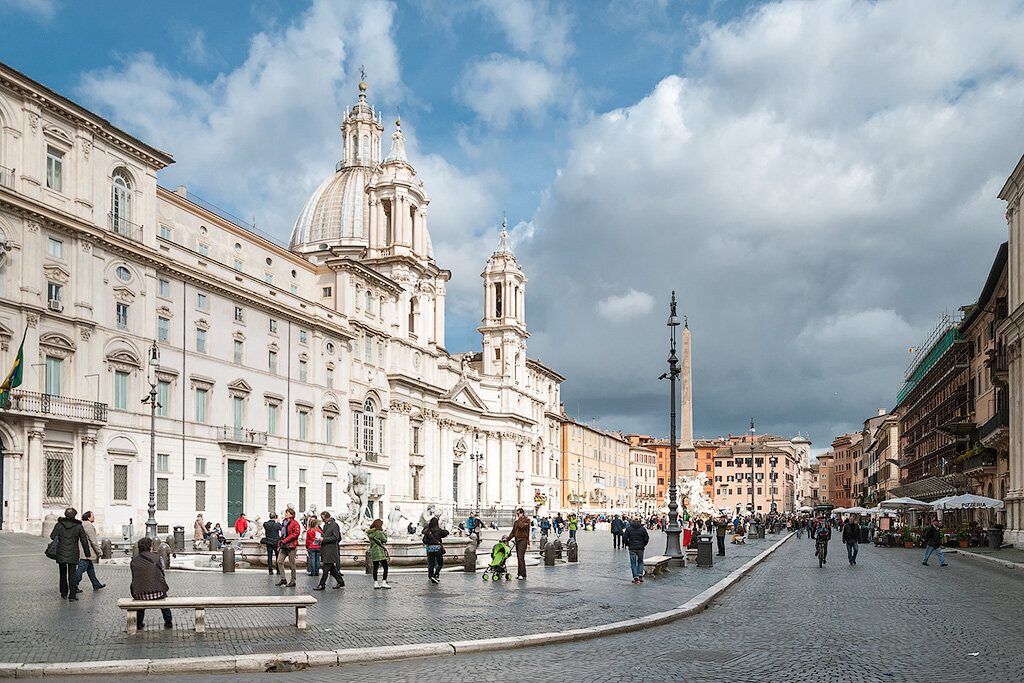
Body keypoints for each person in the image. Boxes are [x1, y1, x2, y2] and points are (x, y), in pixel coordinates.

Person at [129, 536, 172, 628]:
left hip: (140, 594)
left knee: (140, 596)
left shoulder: (134, 561)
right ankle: (168, 621)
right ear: (150, 548)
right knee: (164, 600)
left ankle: (139, 623)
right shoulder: (158, 558)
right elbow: (162, 571)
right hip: (158, 592)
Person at [50, 507, 90, 600]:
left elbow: (52, 536)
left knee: (62, 573)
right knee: (72, 574)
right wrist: (87, 554)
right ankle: (72, 595)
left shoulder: (59, 524)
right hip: (73, 552)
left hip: (61, 552)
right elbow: (84, 540)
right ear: (75, 515)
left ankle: (63, 593)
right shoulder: (78, 526)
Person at [74, 510, 105, 591]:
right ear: (88, 518)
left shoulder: (80, 524)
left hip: (80, 550)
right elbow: (93, 540)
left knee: (90, 569)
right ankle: (73, 585)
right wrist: (99, 552)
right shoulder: (88, 526)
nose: (94, 517)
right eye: (93, 516)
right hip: (86, 552)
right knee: (81, 569)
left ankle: (96, 584)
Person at [315, 510, 345, 590]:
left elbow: (336, 537)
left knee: (326, 568)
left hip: (331, 550)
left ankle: (322, 584)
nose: (322, 520)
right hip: (326, 550)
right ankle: (340, 582)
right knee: (332, 569)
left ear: (326, 518)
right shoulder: (325, 525)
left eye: (323, 518)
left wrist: (324, 539)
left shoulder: (334, 525)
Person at [275, 508, 300, 587]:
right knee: (279, 561)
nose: (285, 514)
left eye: (287, 513)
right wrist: (280, 544)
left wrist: (285, 540)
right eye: (286, 512)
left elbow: (296, 534)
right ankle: (283, 579)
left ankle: (293, 581)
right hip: (284, 545)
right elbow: (282, 535)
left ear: (291, 515)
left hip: (291, 545)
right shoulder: (284, 523)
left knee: (292, 564)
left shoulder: (295, 523)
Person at [504, 507, 531, 580]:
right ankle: (521, 573)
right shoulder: (516, 522)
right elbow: (513, 532)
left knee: (520, 557)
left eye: (518, 513)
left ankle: (521, 574)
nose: (517, 515)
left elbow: (521, 526)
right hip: (517, 540)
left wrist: (521, 519)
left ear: (522, 513)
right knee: (519, 558)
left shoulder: (527, 520)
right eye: (517, 514)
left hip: (523, 540)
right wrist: (507, 539)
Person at [622, 516, 650, 583]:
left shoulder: (629, 529)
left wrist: (627, 544)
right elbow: (646, 538)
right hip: (640, 548)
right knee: (640, 561)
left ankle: (635, 578)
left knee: (633, 563)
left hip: (632, 548)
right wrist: (643, 545)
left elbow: (624, 538)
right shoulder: (642, 529)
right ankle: (640, 575)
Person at [422, 516, 449, 584]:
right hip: (437, 549)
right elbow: (446, 532)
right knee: (440, 563)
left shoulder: (428, 532)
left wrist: (430, 543)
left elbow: (424, 540)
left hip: (430, 549)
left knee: (431, 563)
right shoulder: (439, 531)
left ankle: (431, 576)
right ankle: (435, 574)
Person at [367, 518, 391, 589]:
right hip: (380, 552)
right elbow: (385, 540)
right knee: (385, 567)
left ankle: (376, 583)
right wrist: (384, 533)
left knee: (375, 567)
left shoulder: (370, 533)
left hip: (374, 551)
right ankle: (384, 582)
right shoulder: (379, 532)